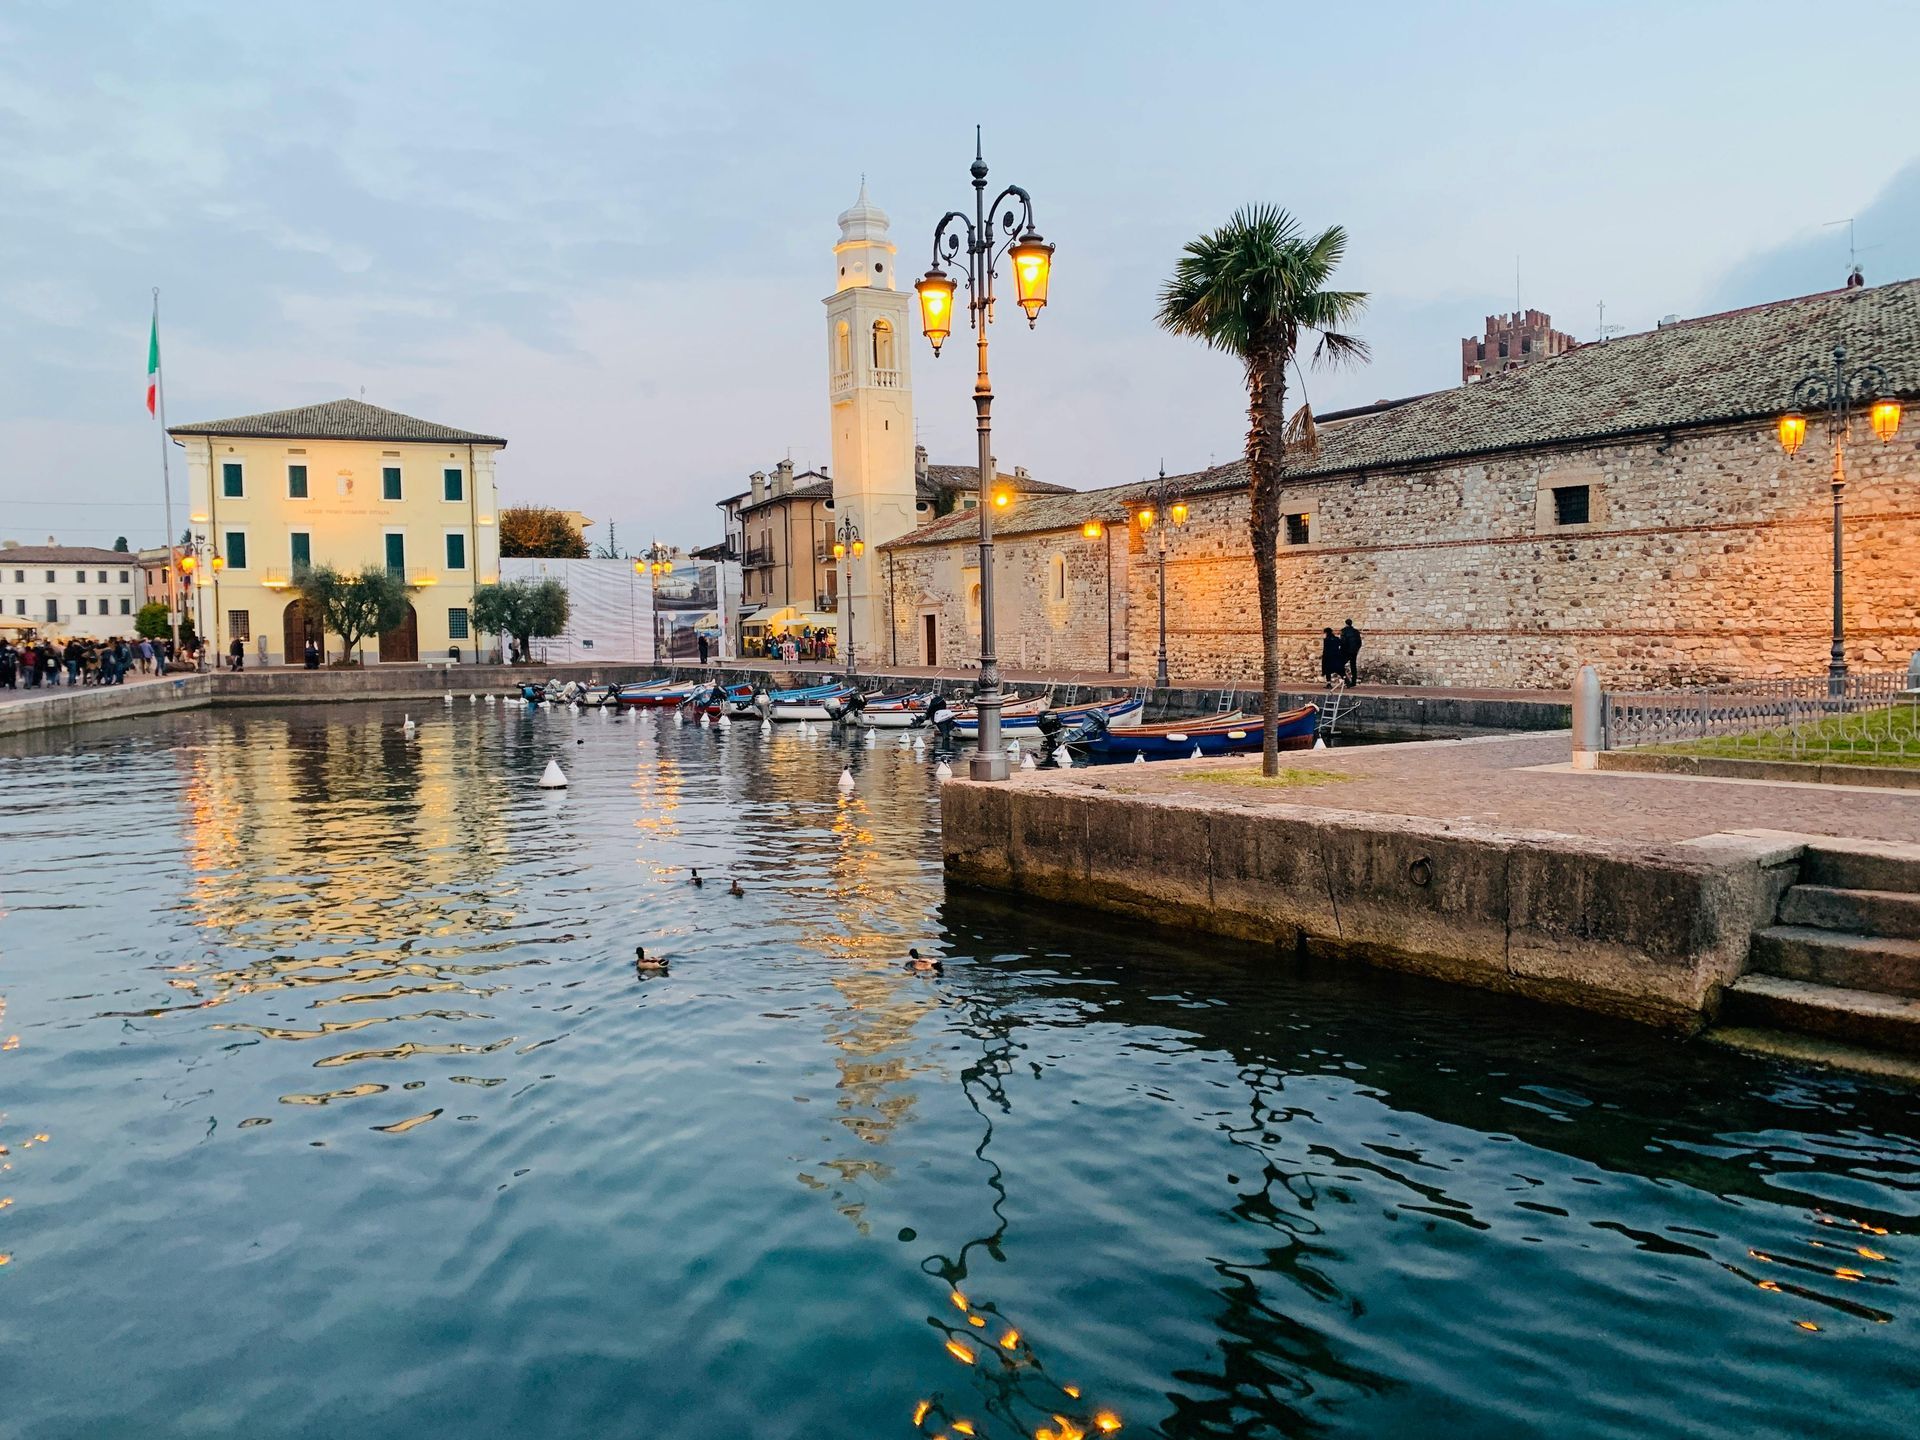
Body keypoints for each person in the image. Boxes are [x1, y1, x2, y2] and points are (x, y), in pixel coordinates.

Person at [1339, 618, 1363, 686]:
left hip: (1346, 651)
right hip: (1354, 651)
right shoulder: (1356, 632)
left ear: (1346, 624)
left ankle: (1346, 680)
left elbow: (1343, 642)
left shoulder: (1344, 631)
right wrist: (1356, 650)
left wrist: (1341, 651)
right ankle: (1353, 681)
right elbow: (1359, 642)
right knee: (1353, 666)